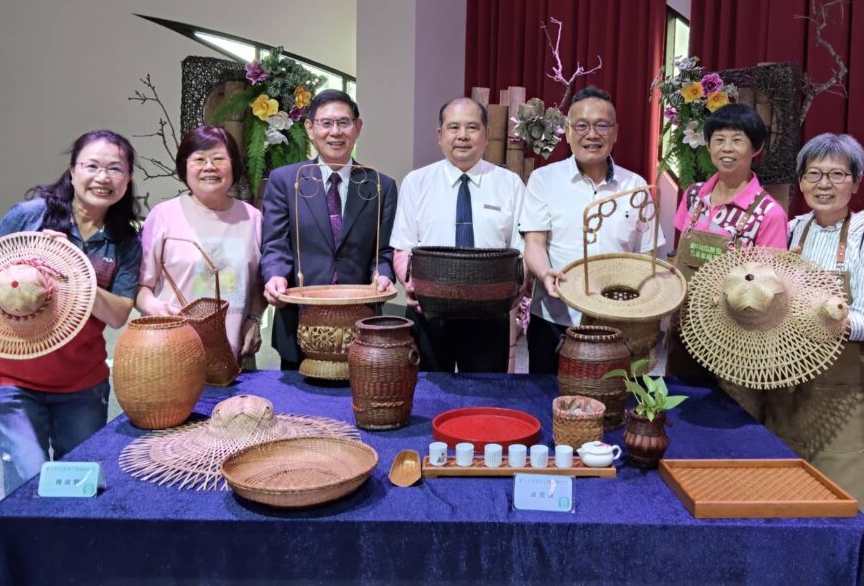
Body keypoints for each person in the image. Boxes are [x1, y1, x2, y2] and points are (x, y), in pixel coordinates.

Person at [0, 130, 142, 494]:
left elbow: (117, 315)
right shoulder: (30, 216)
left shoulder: (126, 242)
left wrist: (75, 271)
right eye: (92, 166)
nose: (102, 177)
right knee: (30, 479)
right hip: (8, 376)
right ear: (72, 170)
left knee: (77, 484)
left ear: (128, 179)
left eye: (115, 169)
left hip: (80, 381)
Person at [762, 133, 864, 520]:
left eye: (837, 175)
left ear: (856, 182)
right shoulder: (789, 230)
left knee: (843, 505)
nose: (824, 184)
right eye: (814, 173)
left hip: (847, 387)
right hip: (787, 381)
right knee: (783, 493)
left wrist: (806, 317)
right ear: (800, 181)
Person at [520, 86, 664, 374]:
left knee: (614, 402)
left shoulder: (635, 186)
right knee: (548, 401)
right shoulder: (543, 179)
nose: (592, 134)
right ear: (569, 131)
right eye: (582, 126)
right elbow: (534, 243)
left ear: (615, 132)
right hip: (555, 316)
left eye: (602, 125)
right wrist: (545, 273)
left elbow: (648, 255)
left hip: (618, 322)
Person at [260, 90, 397, 370]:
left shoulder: (380, 185)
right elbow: (275, 244)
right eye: (326, 123)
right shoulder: (286, 181)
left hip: (359, 322)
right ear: (310, 129)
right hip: (300, 320)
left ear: (358, 128)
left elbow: (383, 251)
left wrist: (382, 274)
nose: (335, 132)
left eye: (344, 123)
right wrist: (274, 276)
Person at [669, 103, 788, 417]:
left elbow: (769, 285)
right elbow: (679, 252)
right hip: (684, 328)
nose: (727, 148)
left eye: (738, 140)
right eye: (719, 139)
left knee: (726, 416)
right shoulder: (693, 196)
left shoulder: (769, 212)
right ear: (707, 146)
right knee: (677, 409)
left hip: (735, 337)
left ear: (756, 148)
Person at [391, 98, 526, 372]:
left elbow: (521, 251)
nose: (462, 136)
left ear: (487, 134)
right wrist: (411, 284)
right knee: (426, 394)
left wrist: (516, 288)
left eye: (472, 127)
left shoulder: (509, 184)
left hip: (489, 316)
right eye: (454, 127)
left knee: (485, 396)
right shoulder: (416, 183)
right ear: (440, 135)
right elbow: (402, 248)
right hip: (428, 313)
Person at [136, 126, 264, 361]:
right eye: (199, 159)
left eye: (218, 159)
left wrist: (254, 319)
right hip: (171, 354)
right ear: (185, 166)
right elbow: (141, 287)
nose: (209, 167)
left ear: (233, 165)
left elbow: (259, 281)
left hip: (234, 358)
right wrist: (155, 308)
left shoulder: (252, 218)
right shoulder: (164, 215)